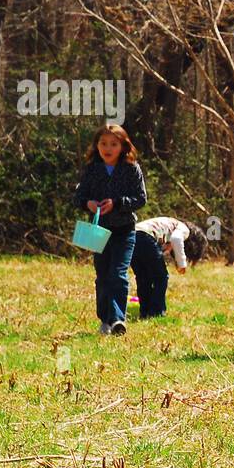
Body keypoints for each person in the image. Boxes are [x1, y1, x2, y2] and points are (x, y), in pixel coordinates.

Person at [71, 124, 147, 336]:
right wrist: (89, 204)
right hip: (99, 231)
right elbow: (78, 197)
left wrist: (118, 203)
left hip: (125, 230)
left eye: (113, 144)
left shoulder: (132, 169)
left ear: (123, 147)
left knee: (118, 274)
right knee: (103, 276)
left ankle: (117, 320)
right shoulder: (92, 169)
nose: (108, 148)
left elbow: (141, 199)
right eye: (103, 143)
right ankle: (104, 319)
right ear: (96, 146)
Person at [130, 217, 208, 318]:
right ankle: (157, 312)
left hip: (132, 236)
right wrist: (182, 264)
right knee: (161, 277)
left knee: (143, 278)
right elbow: (176, 239)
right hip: (146, 237)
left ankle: (145, 312)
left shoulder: (170, 225)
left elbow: (166, 244)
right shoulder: (184, 229)